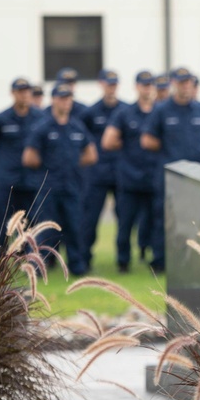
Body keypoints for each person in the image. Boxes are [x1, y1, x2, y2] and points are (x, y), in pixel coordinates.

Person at [141, 67, 200, 273]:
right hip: (170, 175)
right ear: (173, 84)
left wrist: (196, 149)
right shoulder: (161, 110)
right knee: (166, 219)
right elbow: (147, 140)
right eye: (181, 82)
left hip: (196, 176)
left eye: (188, 82)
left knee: (197, 218)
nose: (185, 86)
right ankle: (161, 260)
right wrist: (170, 149)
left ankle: (195, 259)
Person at [23, 83, 97, 275]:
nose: (66, 102)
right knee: (44, 229)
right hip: (48, 187)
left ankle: (77, 267)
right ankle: (37, 267)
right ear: (54, 100)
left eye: (69, 98)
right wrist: (51, 164)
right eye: (62, 98)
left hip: (72, 186)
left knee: (74, 226)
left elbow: (91, 154)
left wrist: (71, 162)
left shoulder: (76, 126)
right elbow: (29, 157)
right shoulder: (43, 127)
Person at [0, 78, 46, 254]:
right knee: (1, 220)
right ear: (13, 93)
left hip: (31, 178)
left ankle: (32, 259)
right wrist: (0, 155)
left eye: (27, 91)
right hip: (7, 179)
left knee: (32, 221)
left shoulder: (40, 117)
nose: (24, 94)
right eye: (20, 91)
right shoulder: (2, 118)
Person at [102, 70, 159, 271]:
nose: (147, 88)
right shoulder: (125, 112)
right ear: (137, 87)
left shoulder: (159, 111)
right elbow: (107, 141)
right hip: (130, 177)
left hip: (154, 177)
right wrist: (127, 143)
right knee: (125, 224)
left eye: (150, 84)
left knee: (157, 223)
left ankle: (157, 261)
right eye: (144, 85)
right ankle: (123, 261)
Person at [79, 69, 126, 268]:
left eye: (114, 84)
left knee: (124, 219)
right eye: (108, 84)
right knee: (90, 218)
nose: (111, 87)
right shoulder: (91, 112)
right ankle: (85, 258)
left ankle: (123, 261)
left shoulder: (125, 110)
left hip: (121, 172)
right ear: (101, 84)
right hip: (97, 173)